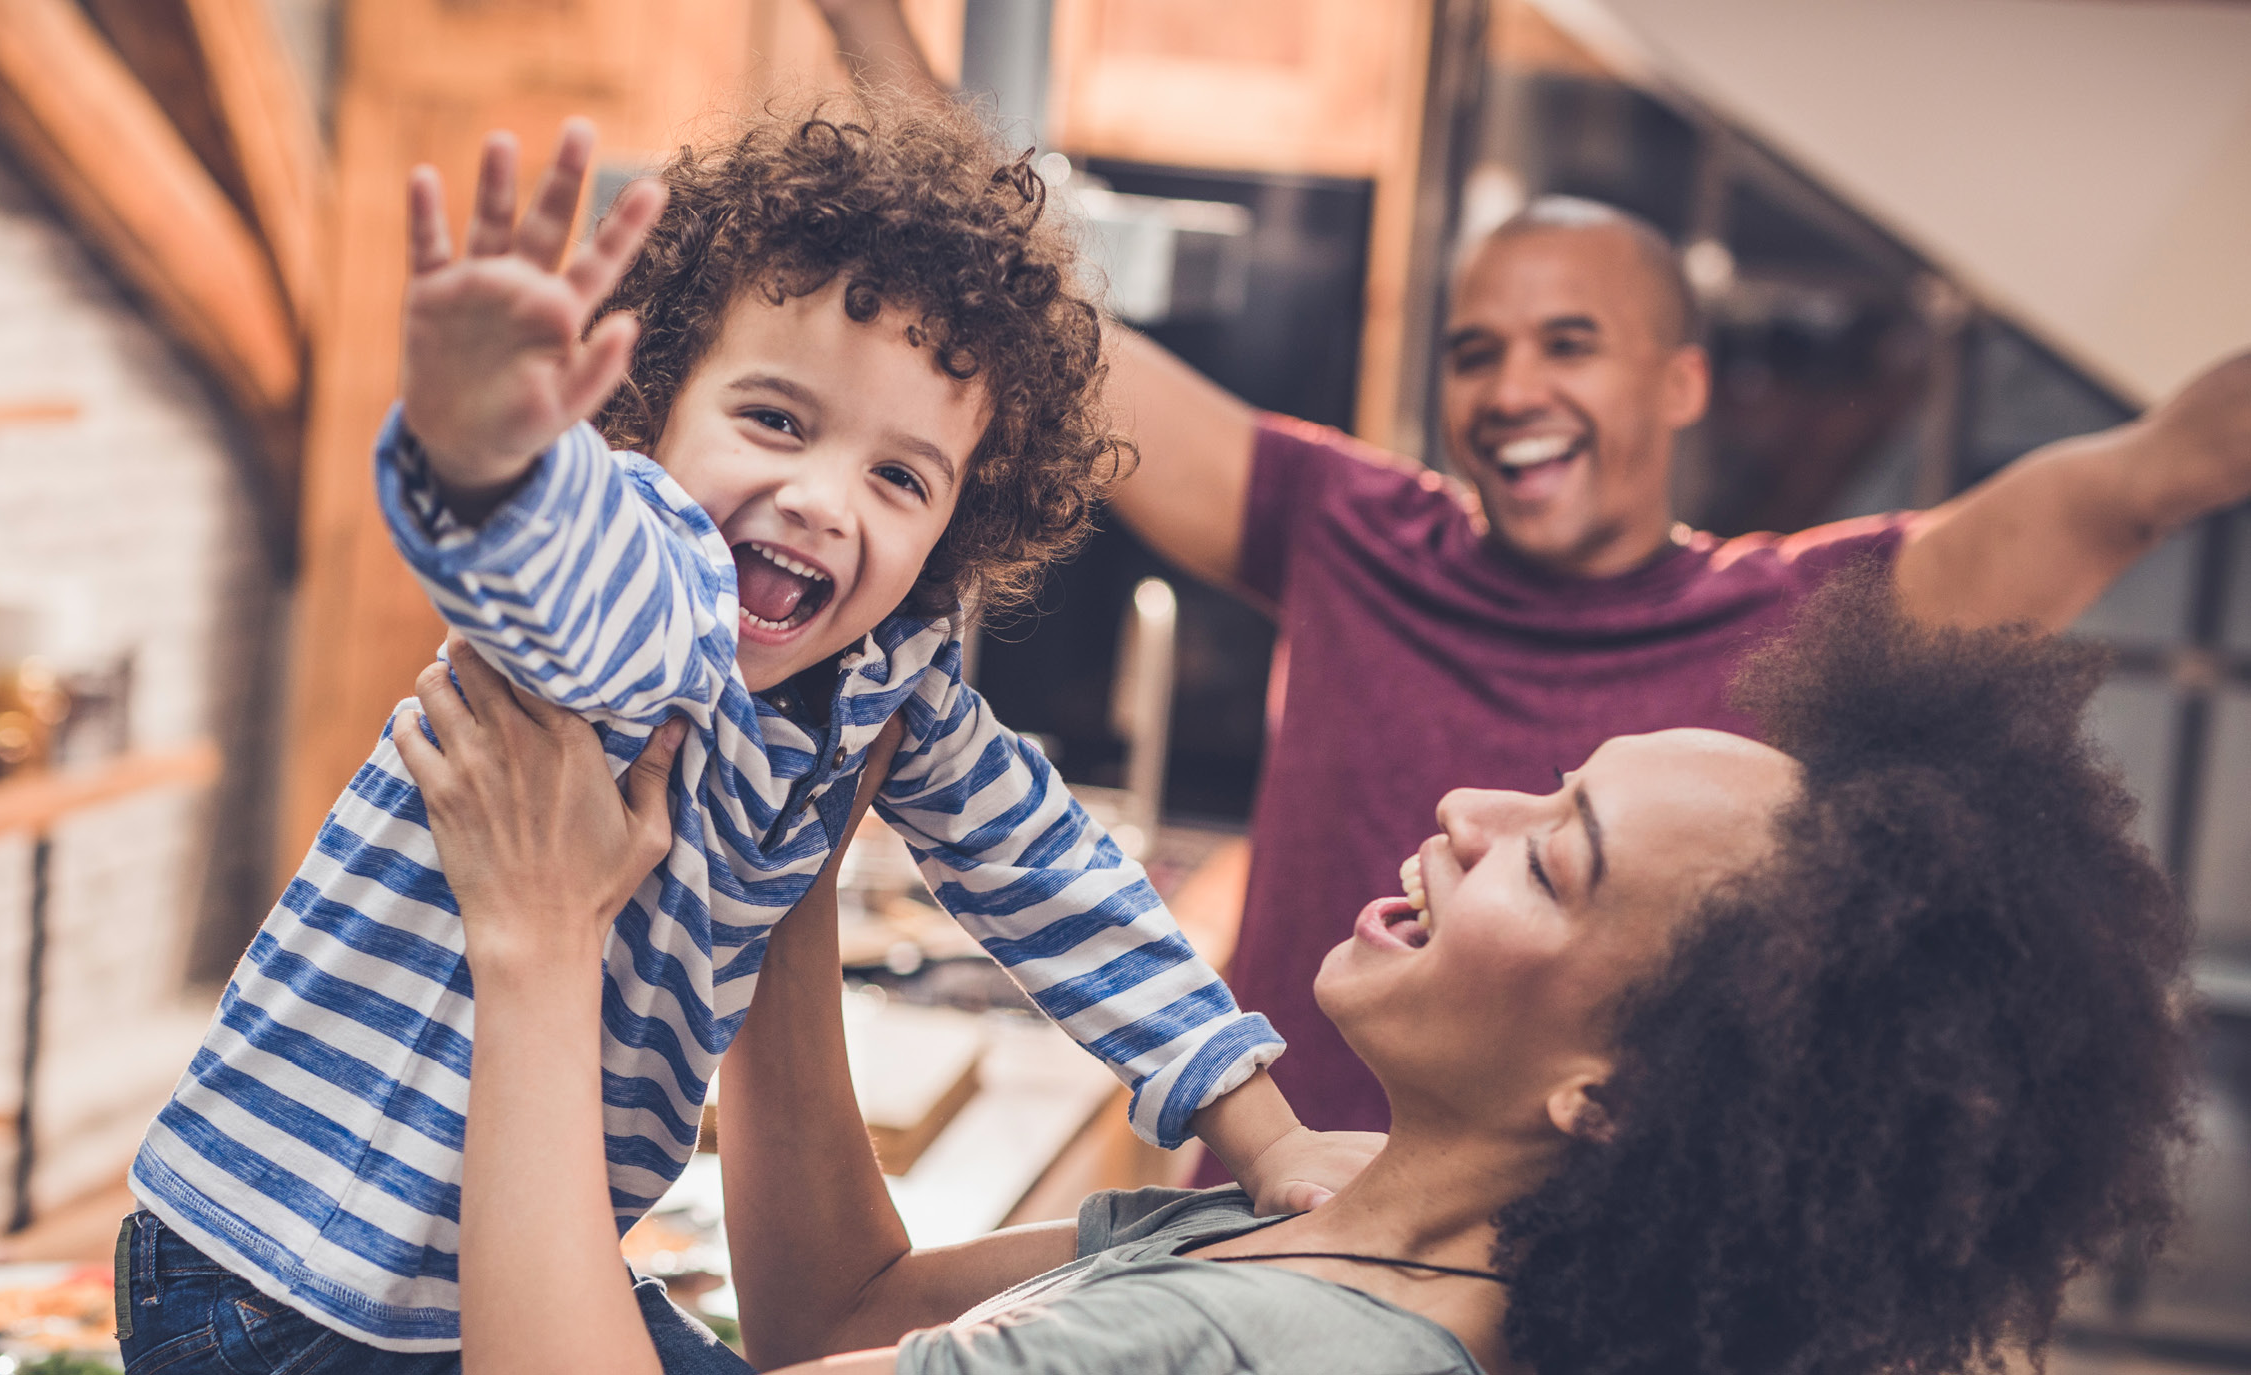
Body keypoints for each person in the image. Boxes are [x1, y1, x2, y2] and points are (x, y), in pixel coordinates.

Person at [810, 0, 2251, 1139]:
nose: (1510, 388)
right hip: (1257, 1210)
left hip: (1533, 1290)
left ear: (1680, 381)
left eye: (1569, 344)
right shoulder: (1345, 527)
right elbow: (1032, 292)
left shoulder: (1800, 621)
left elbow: (2147, 476)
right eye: (1473, 350)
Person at [117, 98, 1372, 1369]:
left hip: (478, 1279)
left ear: (958, 525)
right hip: (285, 1266)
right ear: (655, 408)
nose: (823, 499)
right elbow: (550, 568)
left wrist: (1265, 1137)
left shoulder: (896, 685)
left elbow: (1065, 887)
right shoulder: (646, 583)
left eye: (901, 477)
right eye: (774, 420)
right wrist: (485, 452)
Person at [392, 568, 2193, 1375]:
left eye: (1552, 861)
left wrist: (540, 945)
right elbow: (840, 1311)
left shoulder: (1275, 1352)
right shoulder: (1321, 1226)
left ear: (1622, 1091)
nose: (1474, 810)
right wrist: (790, 882)